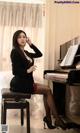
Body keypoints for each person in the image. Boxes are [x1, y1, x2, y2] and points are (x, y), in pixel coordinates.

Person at [10, 30, 67, 130]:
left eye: (24, 37)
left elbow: (39, 54)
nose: (22, 39)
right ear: (16, 39)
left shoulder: (26, 52)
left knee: (47, 89)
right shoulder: (15, 51)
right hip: (20, 84)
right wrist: (28, 70)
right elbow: (15, 71)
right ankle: (56, 119)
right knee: (47, 90)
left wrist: (31, 44)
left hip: (26, 82)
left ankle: (49, 119)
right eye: (20, 37)